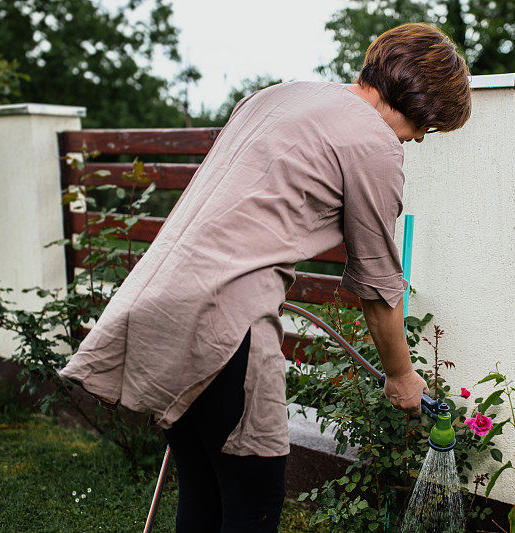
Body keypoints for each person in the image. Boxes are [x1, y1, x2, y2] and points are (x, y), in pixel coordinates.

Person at [58, 21, 471, 532]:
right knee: (254, 501)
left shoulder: (278, 96)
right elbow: (377, 282)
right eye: (426, 128)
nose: (419, 139)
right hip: (224, 322)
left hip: (160, 297)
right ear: (421, 103)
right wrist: (401, 375)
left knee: (203, 496)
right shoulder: (376, 143)